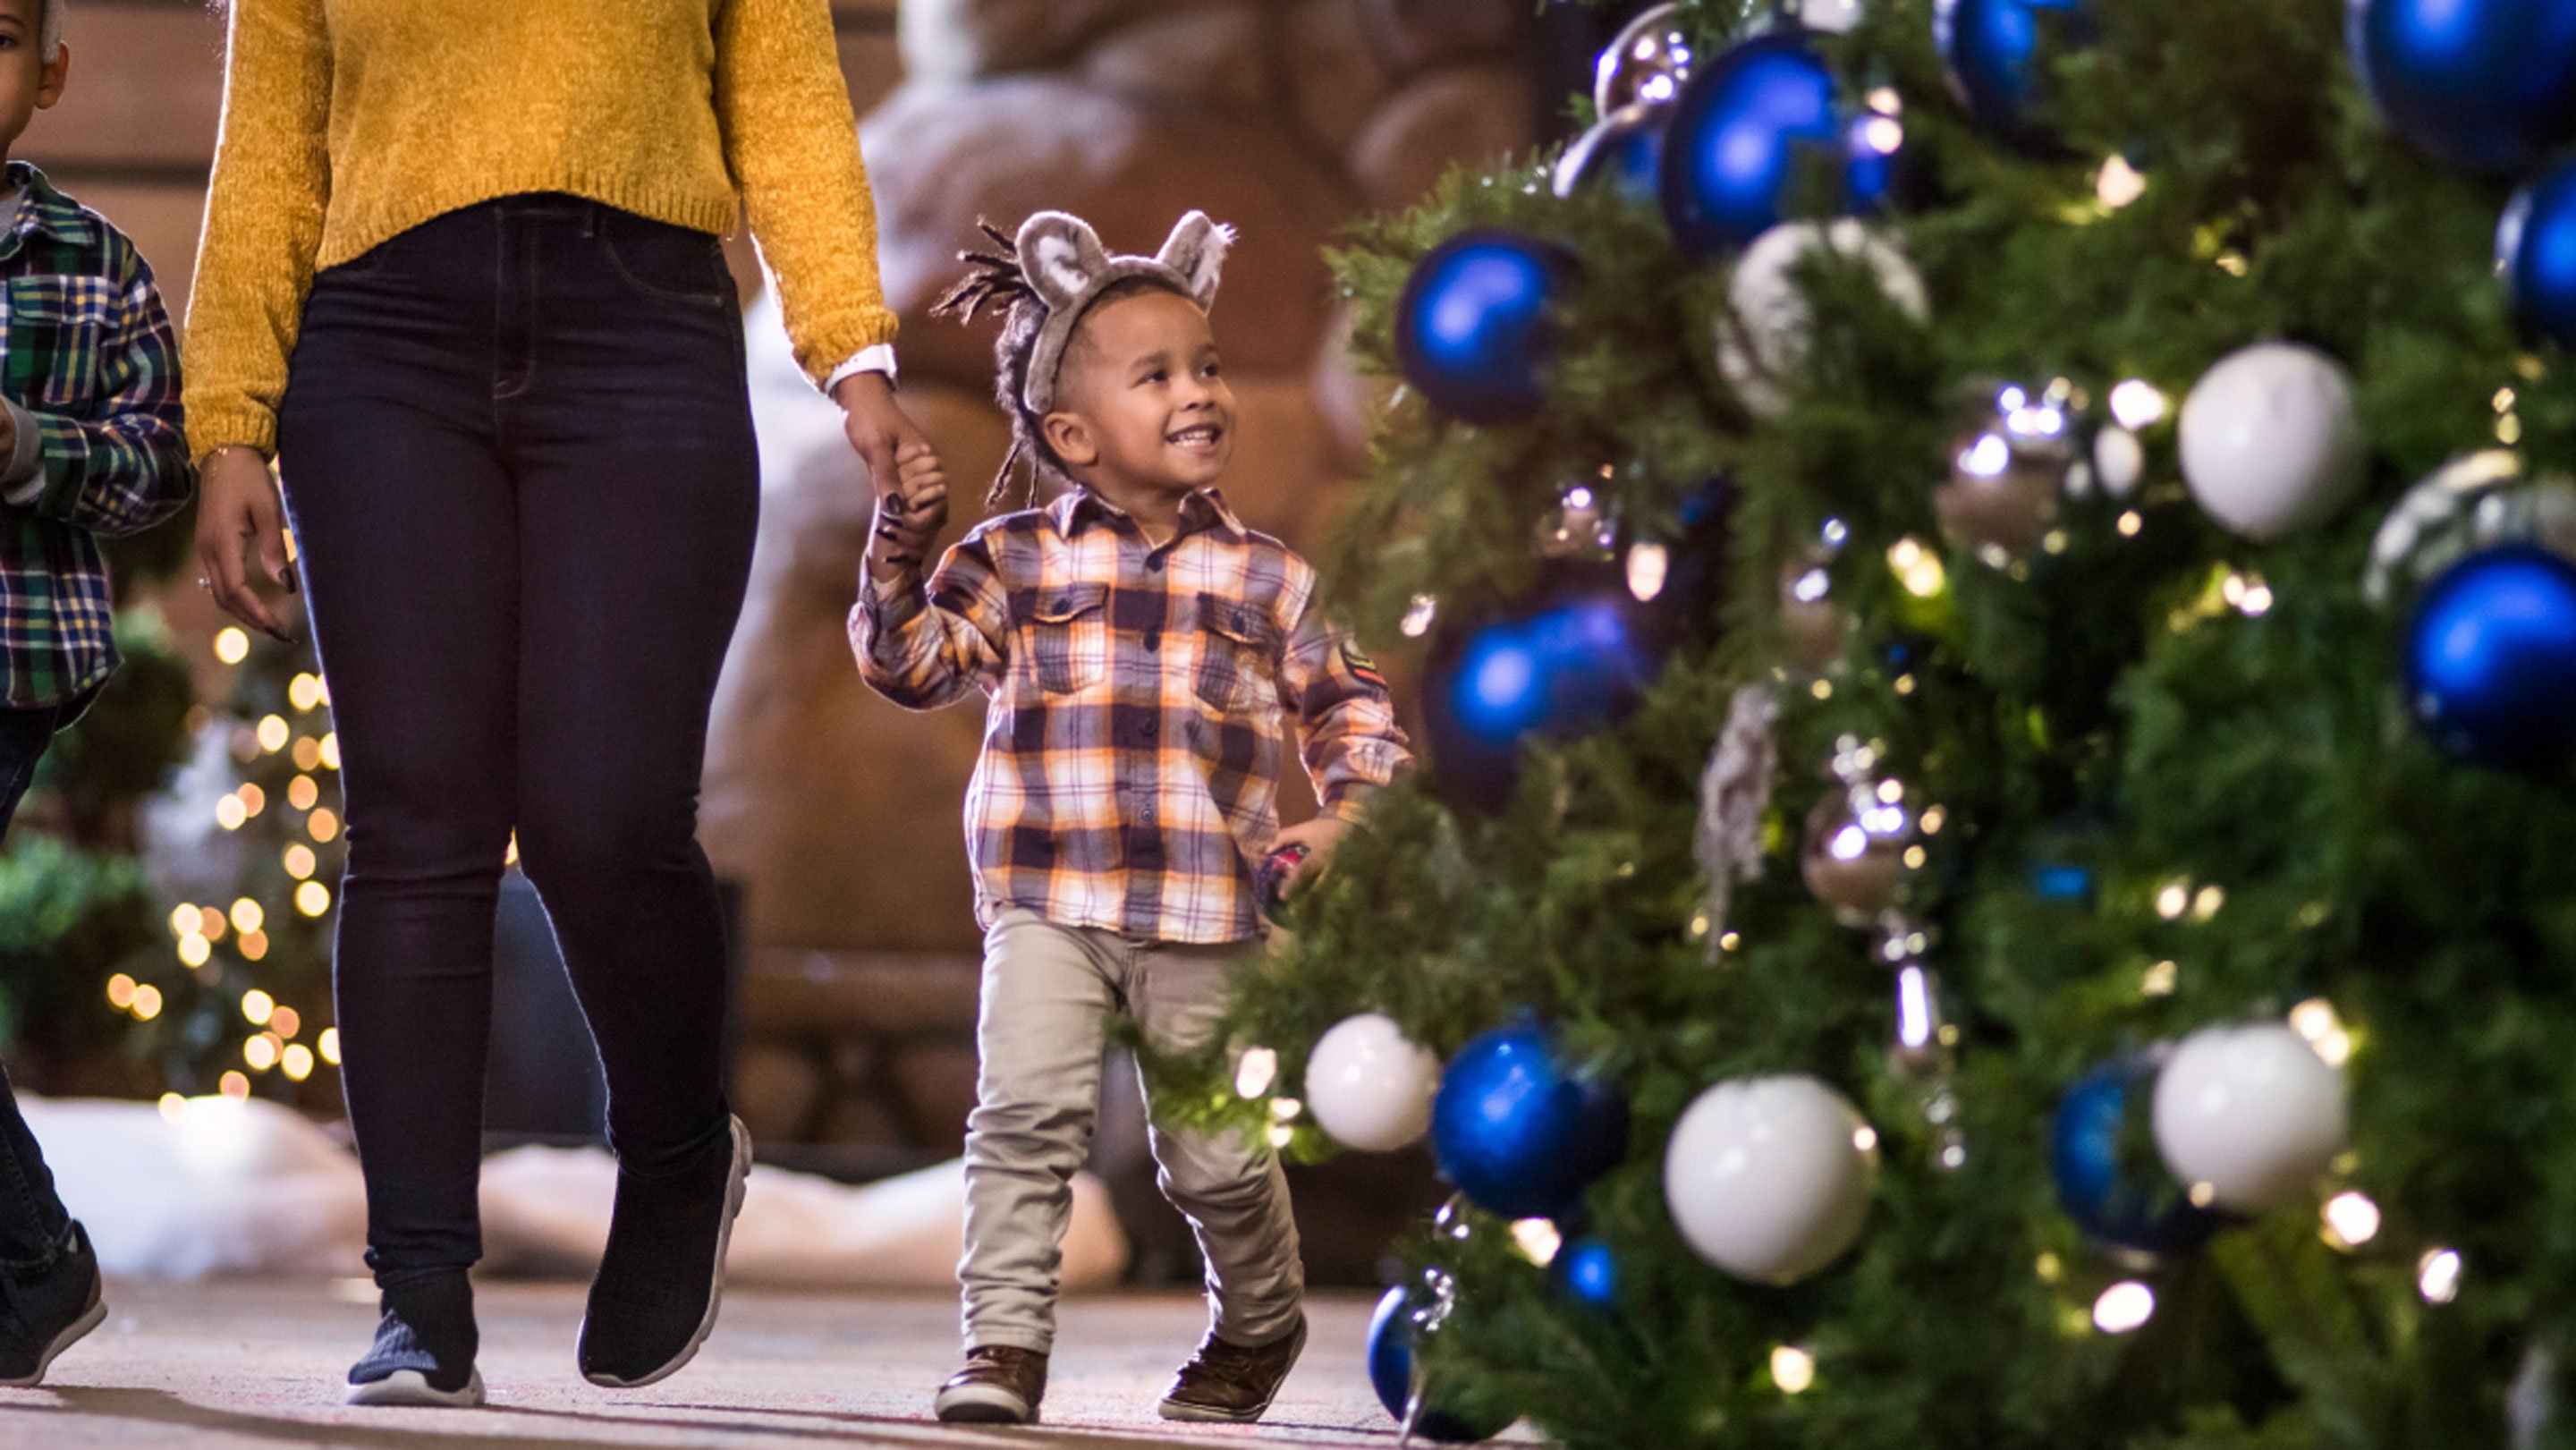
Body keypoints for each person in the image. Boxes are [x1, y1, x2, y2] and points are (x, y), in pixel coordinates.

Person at [182, 0, 935, 1407]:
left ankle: (674, 1153)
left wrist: (852, 349)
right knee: (417, 825)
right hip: (379, 335)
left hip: (639, 326)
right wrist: (228, 413)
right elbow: (273, 143)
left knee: (605, 815)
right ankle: (418, 1295)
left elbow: (781, 89)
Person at [853, 208, 1413, 1428]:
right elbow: (912, 666)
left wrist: (1344, 820)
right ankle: (1003, 1342)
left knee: (1210, 1159)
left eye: (1207, 365)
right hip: (1046, 894)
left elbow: (1352, 709)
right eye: (1156, 375)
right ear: (1071, 434)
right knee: (1023, 1117)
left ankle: (1259, 1318)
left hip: (1206, 914)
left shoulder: (1270, 579)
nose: (1200, 391)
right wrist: (900, 548)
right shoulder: (1010, 563)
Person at [0, 0, 192, 1387]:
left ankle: (35, 1260)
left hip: (8, 656)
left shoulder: (87, 263)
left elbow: (149, 467)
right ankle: (30, 1262)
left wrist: (20, 444)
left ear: (51, 71)